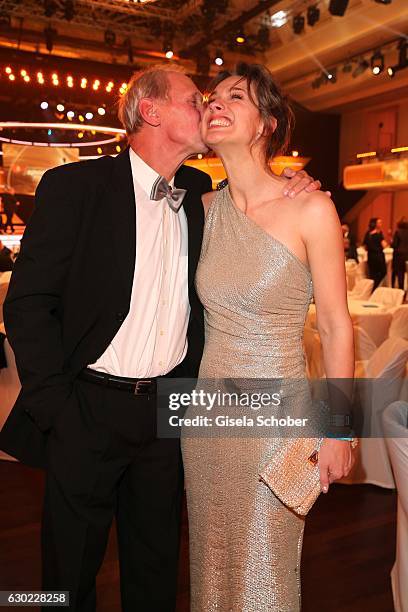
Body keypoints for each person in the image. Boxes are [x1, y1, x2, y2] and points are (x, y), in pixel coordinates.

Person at [0, 65, 321, 612]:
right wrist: (58, 410)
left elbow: (258, 202)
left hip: (168, 416)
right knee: (66, 574)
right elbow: (27, 304)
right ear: (151, 112)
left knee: (154, 573)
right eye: (197, 99)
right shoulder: (75, 188)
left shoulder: (199, 192)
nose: (209, 109)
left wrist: (296, 183)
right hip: (86, 408)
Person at [181, 63, 355, 611]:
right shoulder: (203, 210)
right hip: (209, 415)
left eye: (236, 97)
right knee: (211, 563)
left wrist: (340, 431)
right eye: (212, 98)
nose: (216, 104)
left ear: (266, 124)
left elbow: (334, 325)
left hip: (277, 416)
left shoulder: (312, 207)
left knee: (266, 571)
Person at [363, 217, 387, 290]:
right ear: (375, 224)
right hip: (379, 256)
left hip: (370, 256)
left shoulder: (368, 233)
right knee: (383, 272)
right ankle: (374, 288)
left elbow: (365, 246)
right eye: (379, 222)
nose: (381, 224)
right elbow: (384, 245)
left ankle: (371, 289)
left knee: (372, 274)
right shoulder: (379, 233)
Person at [391, 216, 408, 290]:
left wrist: (391, 241)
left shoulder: (397, 232)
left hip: (398, 255)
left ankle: (396, 289)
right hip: (406, 255)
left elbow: (394, 245)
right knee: (404, 273)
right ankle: (404, 292)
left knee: (397, 272)